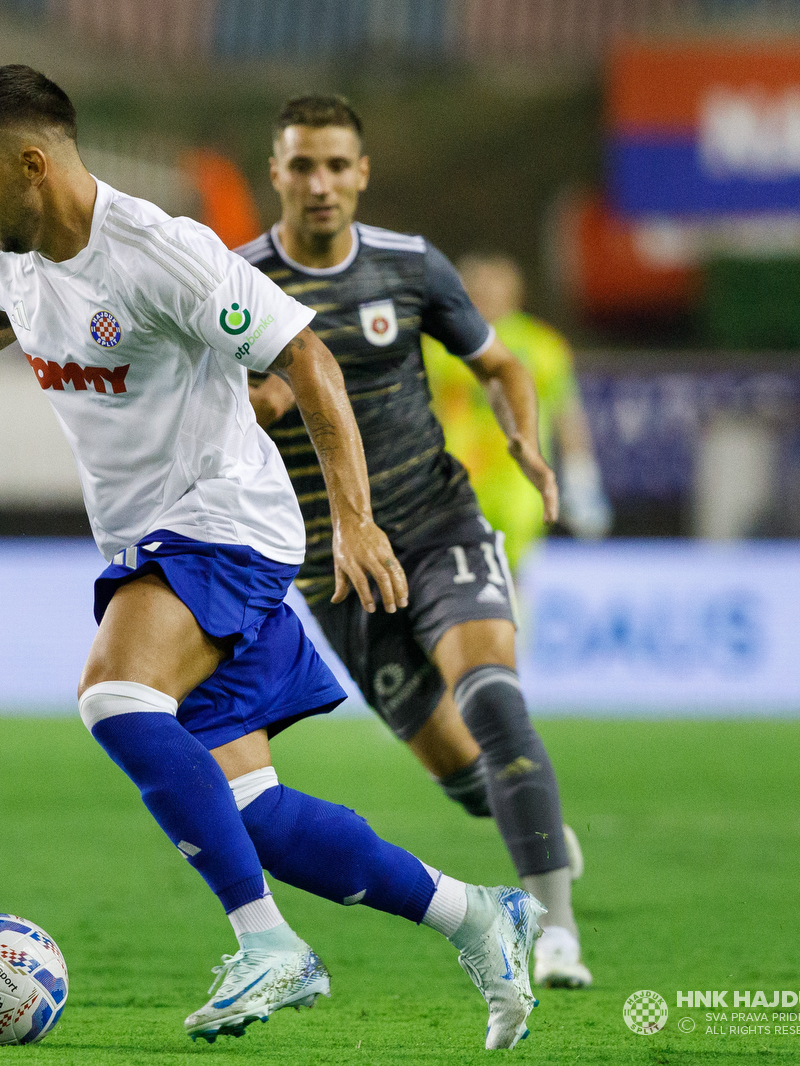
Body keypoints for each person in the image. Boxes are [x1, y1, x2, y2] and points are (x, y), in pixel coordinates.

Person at [0, 66, 542, 1049]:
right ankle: (476, 915)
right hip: (147, 539)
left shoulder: (162, 254)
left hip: (220, 525)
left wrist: (356, 518)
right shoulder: (14, 246)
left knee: (114, 697)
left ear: (32, 162)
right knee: (255, 811)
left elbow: (307, 353)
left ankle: (268, 946)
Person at [241, 95, 591, 988]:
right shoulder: (231, 281)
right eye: (302, 166)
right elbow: (197, 410)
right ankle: (528, 812)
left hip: (438, 523)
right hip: (334, 568)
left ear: (361, 174)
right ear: (276, 173)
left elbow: (502, 362)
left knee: (495, 703)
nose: (320, 183)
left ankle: (555, 930)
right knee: (459, 770)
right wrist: (257, 403)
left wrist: (523, 436)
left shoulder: (409, 266)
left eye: (336, 166)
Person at [424, 253, 611, 569]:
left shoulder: (542, 345)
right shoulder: (437, 343)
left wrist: (582, 477)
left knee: (510, 574)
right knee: (456, 575)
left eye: (494, 285)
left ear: (515, 291)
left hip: (518, 483)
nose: (486, 293)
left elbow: (566, 413)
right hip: (455, 480)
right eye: (477, 286)